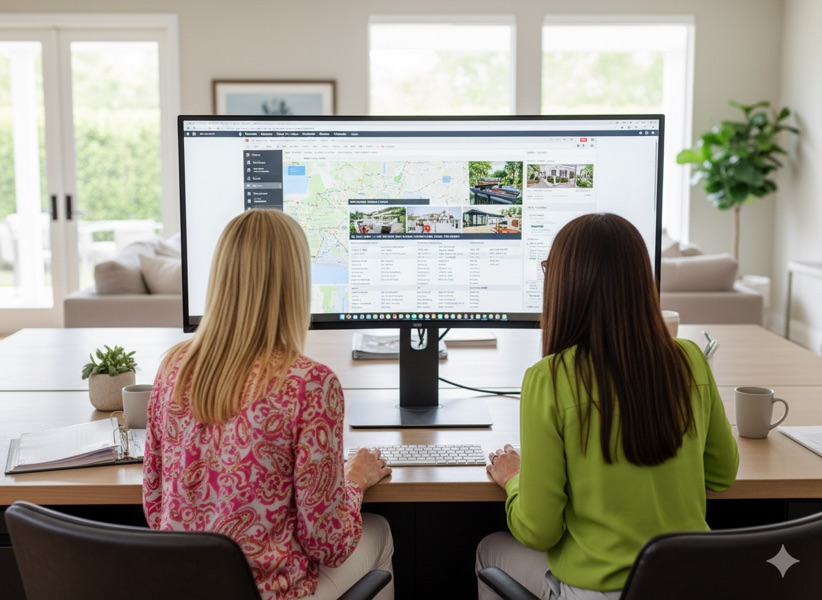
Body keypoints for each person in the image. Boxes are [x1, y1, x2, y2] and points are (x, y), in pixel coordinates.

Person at [476, 213, 739, 600]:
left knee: (489, 551)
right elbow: (721, 472)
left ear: (564, 285)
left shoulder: (549, 378)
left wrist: (514, 478)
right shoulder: (689, 359)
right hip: (690, 585)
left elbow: (538, 530)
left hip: (598, 593)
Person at [143, 208, 394, 600]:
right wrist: (355, 479)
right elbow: (328, 542)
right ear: (296, 284)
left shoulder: (173, 366)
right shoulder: (310, 384)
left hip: (184, 586)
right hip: (271, 593)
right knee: (379, 533)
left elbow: (154, 504)